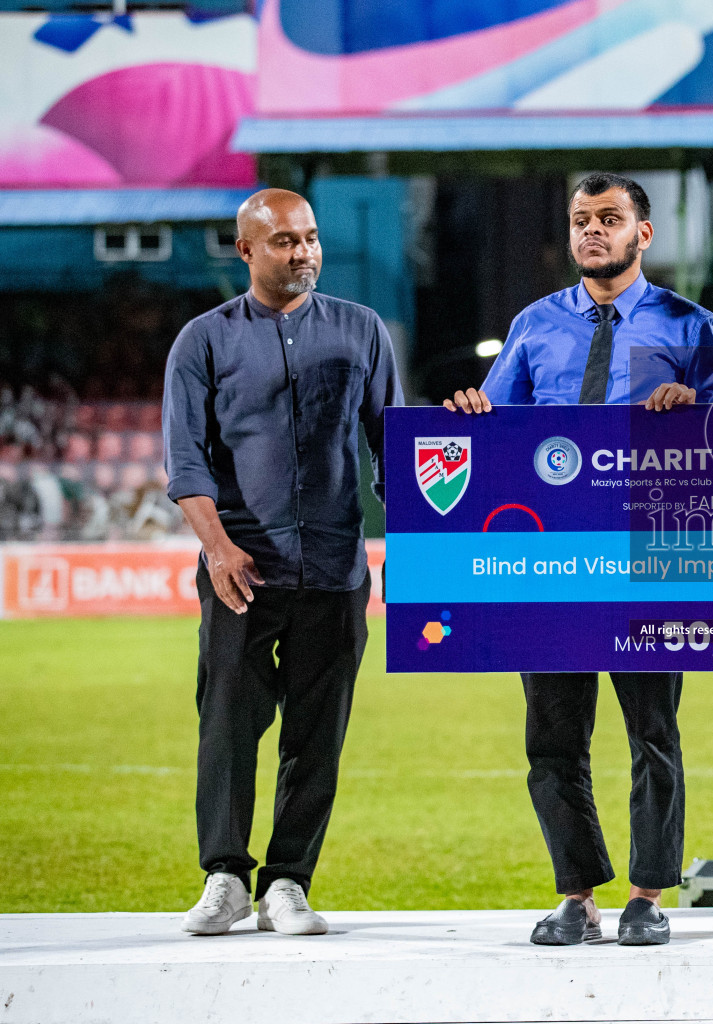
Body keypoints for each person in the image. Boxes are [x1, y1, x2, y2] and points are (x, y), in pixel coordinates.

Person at [446, 172, 713, 946]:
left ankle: (647, 895)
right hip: (551, 569)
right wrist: (474, 414)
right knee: (552, 740)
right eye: (581, 220)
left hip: (649, 559)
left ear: (643, 232)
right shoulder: (535, 325)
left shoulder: (689, 325)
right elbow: (497, 432)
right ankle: (577, 895)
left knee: (653, 734)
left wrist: (694, 407)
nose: (591, 232)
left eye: (609, 218)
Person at [164, 188, 402, 936]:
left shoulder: (362, 331)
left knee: (316, 731)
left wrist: (441, 529)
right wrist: (219, 546)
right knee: (228, 723)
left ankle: (289, 881)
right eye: (284, 242)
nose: (303, 253)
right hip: (240, 568)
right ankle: (226, 877)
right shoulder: (201, 342)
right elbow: (185, 463)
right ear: (247, 251)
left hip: (335, 568)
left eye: (309, 238)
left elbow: (394, 448)